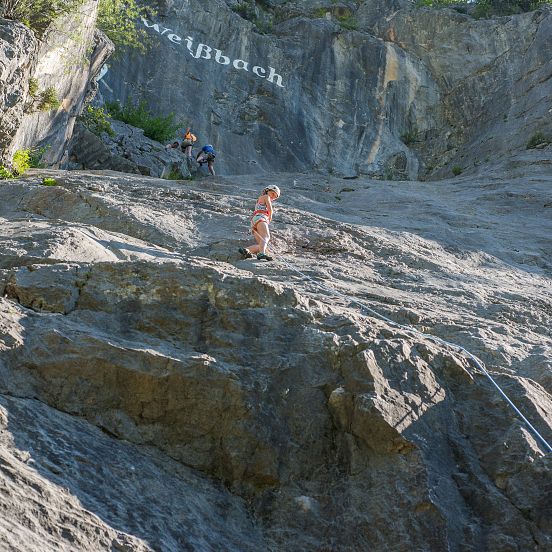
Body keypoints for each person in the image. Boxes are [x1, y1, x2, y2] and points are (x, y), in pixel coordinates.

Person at [239, 184, 281, 261]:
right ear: (267, 191)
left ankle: (247, 250)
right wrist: (270, 217)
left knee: (261, 243)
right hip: (261, 218)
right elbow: (270, 209)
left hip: (255, 221)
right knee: (267, 236)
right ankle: (262, 254)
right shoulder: (266, 197)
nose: (272, 197)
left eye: (274, 197)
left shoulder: (259, 199)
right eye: (272, 194)